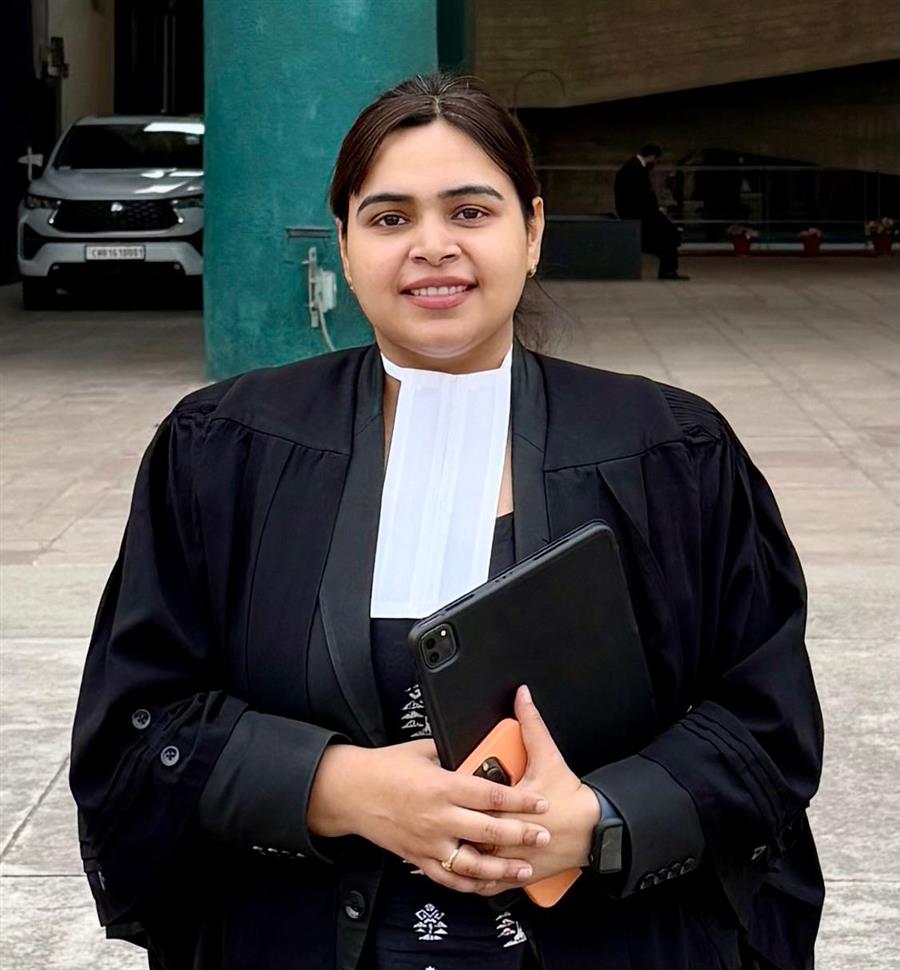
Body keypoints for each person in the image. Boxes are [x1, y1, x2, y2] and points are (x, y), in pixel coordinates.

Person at [70, 73, 823, 970]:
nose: (433, 247)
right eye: (390, 218)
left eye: (471, 212)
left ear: (532, 231)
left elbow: (764, 723)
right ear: (345, 246)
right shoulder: (224, 449)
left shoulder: (672, 451)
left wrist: (600, 819)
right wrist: (336, 787)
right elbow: (136, 726)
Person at [614, 143, 689, 280]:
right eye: (655, 159)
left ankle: (667, 268)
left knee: (667, 236)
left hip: (640, 212)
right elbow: (642, 195)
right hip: (640, 214)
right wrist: (655, 210)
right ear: (652, 156)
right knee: (669, 234)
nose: (655, 163)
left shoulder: (633, 166)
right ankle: (668, 270)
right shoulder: (635, 169)